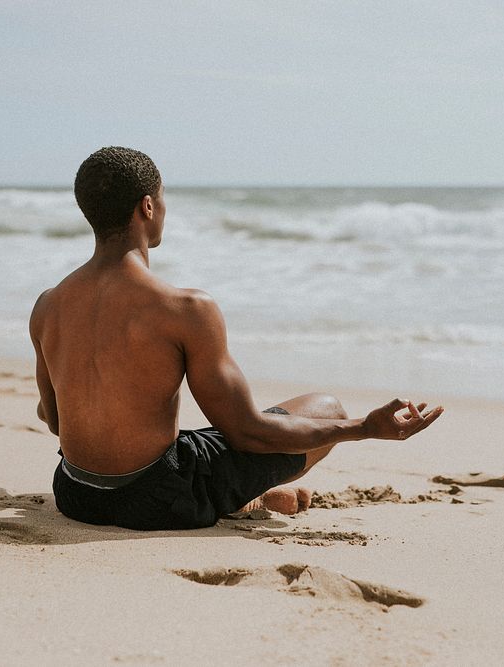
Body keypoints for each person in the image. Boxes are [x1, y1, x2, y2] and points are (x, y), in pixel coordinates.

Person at [30, 146, 444, 531]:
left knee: (188, 445)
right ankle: (248, 499)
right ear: (148, 206)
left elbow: (54, 421)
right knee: (326, 407)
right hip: (159, 502)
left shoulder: (48, 306)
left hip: (76, 495)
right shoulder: (185, 308)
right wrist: (362, 427)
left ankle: (245, 496)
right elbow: (248, 433)